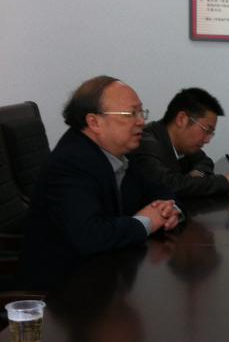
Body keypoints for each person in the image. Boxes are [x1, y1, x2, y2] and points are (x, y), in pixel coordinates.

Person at [22, 76, 181, 282]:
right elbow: (90, 236)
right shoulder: (71, 162)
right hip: (64, 287)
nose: (141, 121)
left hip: (108, 272)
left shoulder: (122, 151)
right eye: (131, 114)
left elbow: (159, 189)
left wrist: (170, 209)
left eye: (141, 112)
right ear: (94, 122)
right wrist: (147, 222)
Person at [131, 87, 229, 196]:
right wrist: (225, 183)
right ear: (182, 119)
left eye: (210, 133)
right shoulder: (145, 143)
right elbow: (168, 186)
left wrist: (197, 175)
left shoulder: (184, 144)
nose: (207, 140)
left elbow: (204, 161)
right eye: (206, 130)